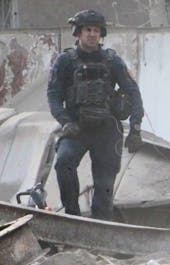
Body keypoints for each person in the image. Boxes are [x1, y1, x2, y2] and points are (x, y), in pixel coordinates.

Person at [47, 9, 144, 220]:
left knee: (105, 183)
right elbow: (53, 95)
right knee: (63, 163)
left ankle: (101, 226)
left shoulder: (112, 61)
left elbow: (133, 92)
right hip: (76, 128)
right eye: (87, 30)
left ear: (102, 34)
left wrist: (135, 129)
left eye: (96, 30)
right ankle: (72, 218)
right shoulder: (65, 61)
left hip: (106, 131)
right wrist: (65, 122)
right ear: (78, 33)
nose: (92, 34)